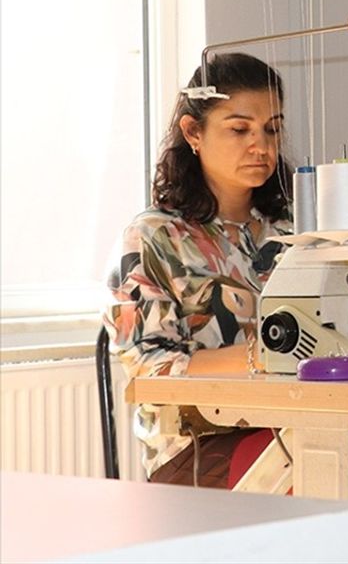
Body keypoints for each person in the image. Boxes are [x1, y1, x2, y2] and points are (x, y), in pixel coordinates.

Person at [103, 52, 293, 486]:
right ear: (193, 132)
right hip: (195, 449)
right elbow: (149, 366)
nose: (262, 146)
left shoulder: (294, 233)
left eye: (272, 129)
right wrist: (261, 358)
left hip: (295, 424)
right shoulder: (154, 239)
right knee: (326, 472)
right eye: (240, 129)